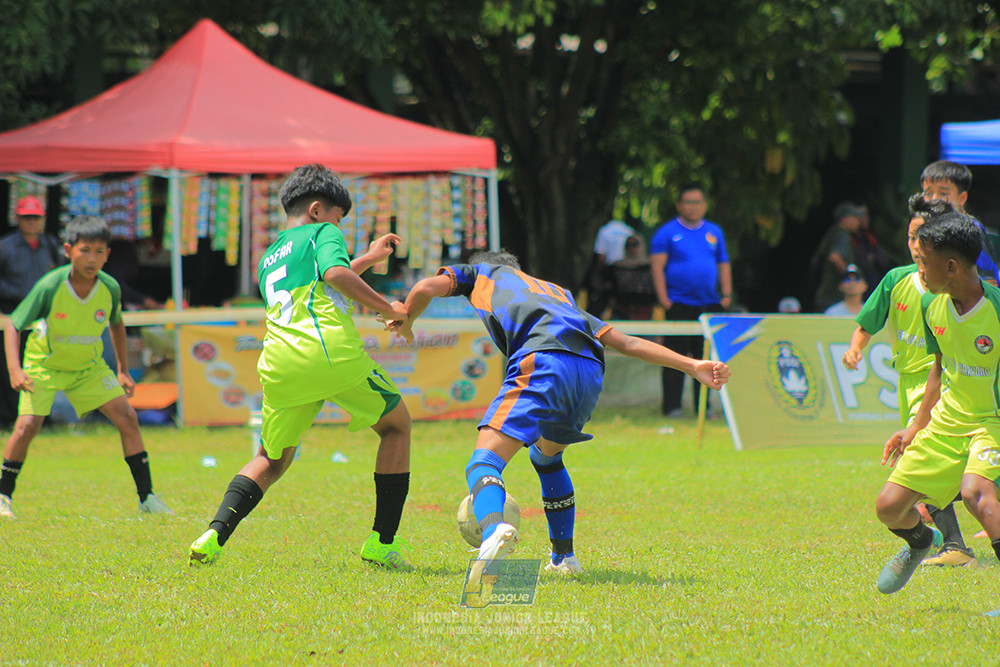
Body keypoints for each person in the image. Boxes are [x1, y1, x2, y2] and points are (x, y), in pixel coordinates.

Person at [389, 249, 730, 581]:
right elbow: (627, 343)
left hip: (542, 359)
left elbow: (425, 287)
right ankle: (564, 557)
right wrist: (692, 365)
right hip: (589, 371)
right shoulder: (555, 293)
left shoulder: (479, 274)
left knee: (483, 462)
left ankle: (493, 531)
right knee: (547, 457)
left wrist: (407, 318)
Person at [188, 164, 412, 568]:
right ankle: (382, 543)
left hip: (279, 364)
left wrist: (367, 258)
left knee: (271, 458)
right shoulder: (324, 232)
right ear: (317, 210)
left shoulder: (269, 257)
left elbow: (323, 279)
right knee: (396, 426)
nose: (337, 227)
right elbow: (334, 273)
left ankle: (213, 535)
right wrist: (389, 307)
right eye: (338, 219)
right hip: (328, 353)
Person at [0, 215, 171, 519]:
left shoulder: (109, 287)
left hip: (87, 368)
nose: (92, 259)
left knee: (127, 418)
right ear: (68, 250)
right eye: (85, 250)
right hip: (45, 365)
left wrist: (122, 370)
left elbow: (117, 323)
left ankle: (147, 498)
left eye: (99, 251)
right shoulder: (51, 285)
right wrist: (15, 369)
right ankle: (3, 496)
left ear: (108, 255)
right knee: (27, 427)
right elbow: (14, 324)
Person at [872, 208, 1000, 596]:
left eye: (924, 262)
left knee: (976, 494)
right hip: (946, 423)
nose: (919, 271)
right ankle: (922, 542)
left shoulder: (996, 308)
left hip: (991, 422)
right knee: (888, 507)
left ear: (951, 267)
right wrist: (915, 426)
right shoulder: (931, 306)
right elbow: (938, 369)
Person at [649, 183, 731, 418]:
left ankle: (704, 408)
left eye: (697, 202)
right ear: (679, 205)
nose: (692, 207)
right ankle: (672, 407)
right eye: (688, 202)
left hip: (709, 304)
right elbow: (657, 267)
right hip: (678, 304)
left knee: (706, 357)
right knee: (674, 356)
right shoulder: (667, 232)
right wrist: (664, 300)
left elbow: (723, 264)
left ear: (704, 205)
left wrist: (726, 295)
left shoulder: (714, 231)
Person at [0, 196, 67, 426]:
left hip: (42, 317)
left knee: (42, 366)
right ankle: (9, 417)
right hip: (11, 313)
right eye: (27, 217)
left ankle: (41, 416)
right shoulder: (5, 246)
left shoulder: (50, 244)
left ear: (43, 219)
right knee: (10, 366)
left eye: (36, 217)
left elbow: (60, 277)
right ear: (18, 219)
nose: (31, 221)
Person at [920, 160, 999, 286]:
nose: (934, 199)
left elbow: (989, 281)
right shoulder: (926, 227)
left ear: (962, 198)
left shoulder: (971, 230)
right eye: (929, 193)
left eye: (943, 193)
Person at [810, 201, 864, 312]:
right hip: (833, 296)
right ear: (845, 219)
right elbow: (834, 257)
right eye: (855, 218)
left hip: (825, 295)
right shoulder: (842, 234)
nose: (858, 222)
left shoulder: (833, 232)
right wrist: (849, 275)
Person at [586, 219, 635, 317]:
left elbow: (601, 256)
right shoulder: (629, 230)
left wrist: (600, 273)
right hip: (629, 268)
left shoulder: (604, 231)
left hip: (612, 268)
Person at [604, 234, 657, 321]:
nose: (631, 248)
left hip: (645, 311)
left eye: (635, 244)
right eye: (628, 245)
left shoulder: (650, 267)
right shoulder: (616, 267)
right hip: (621, 310)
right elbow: (609, 288)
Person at [851, 203, 893, 296]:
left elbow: (884, 259)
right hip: (856, 280)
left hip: (870, 278)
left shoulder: (868, 236)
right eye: (861, 215)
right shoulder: (850, 237)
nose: (865, 218)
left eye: (866, 215)